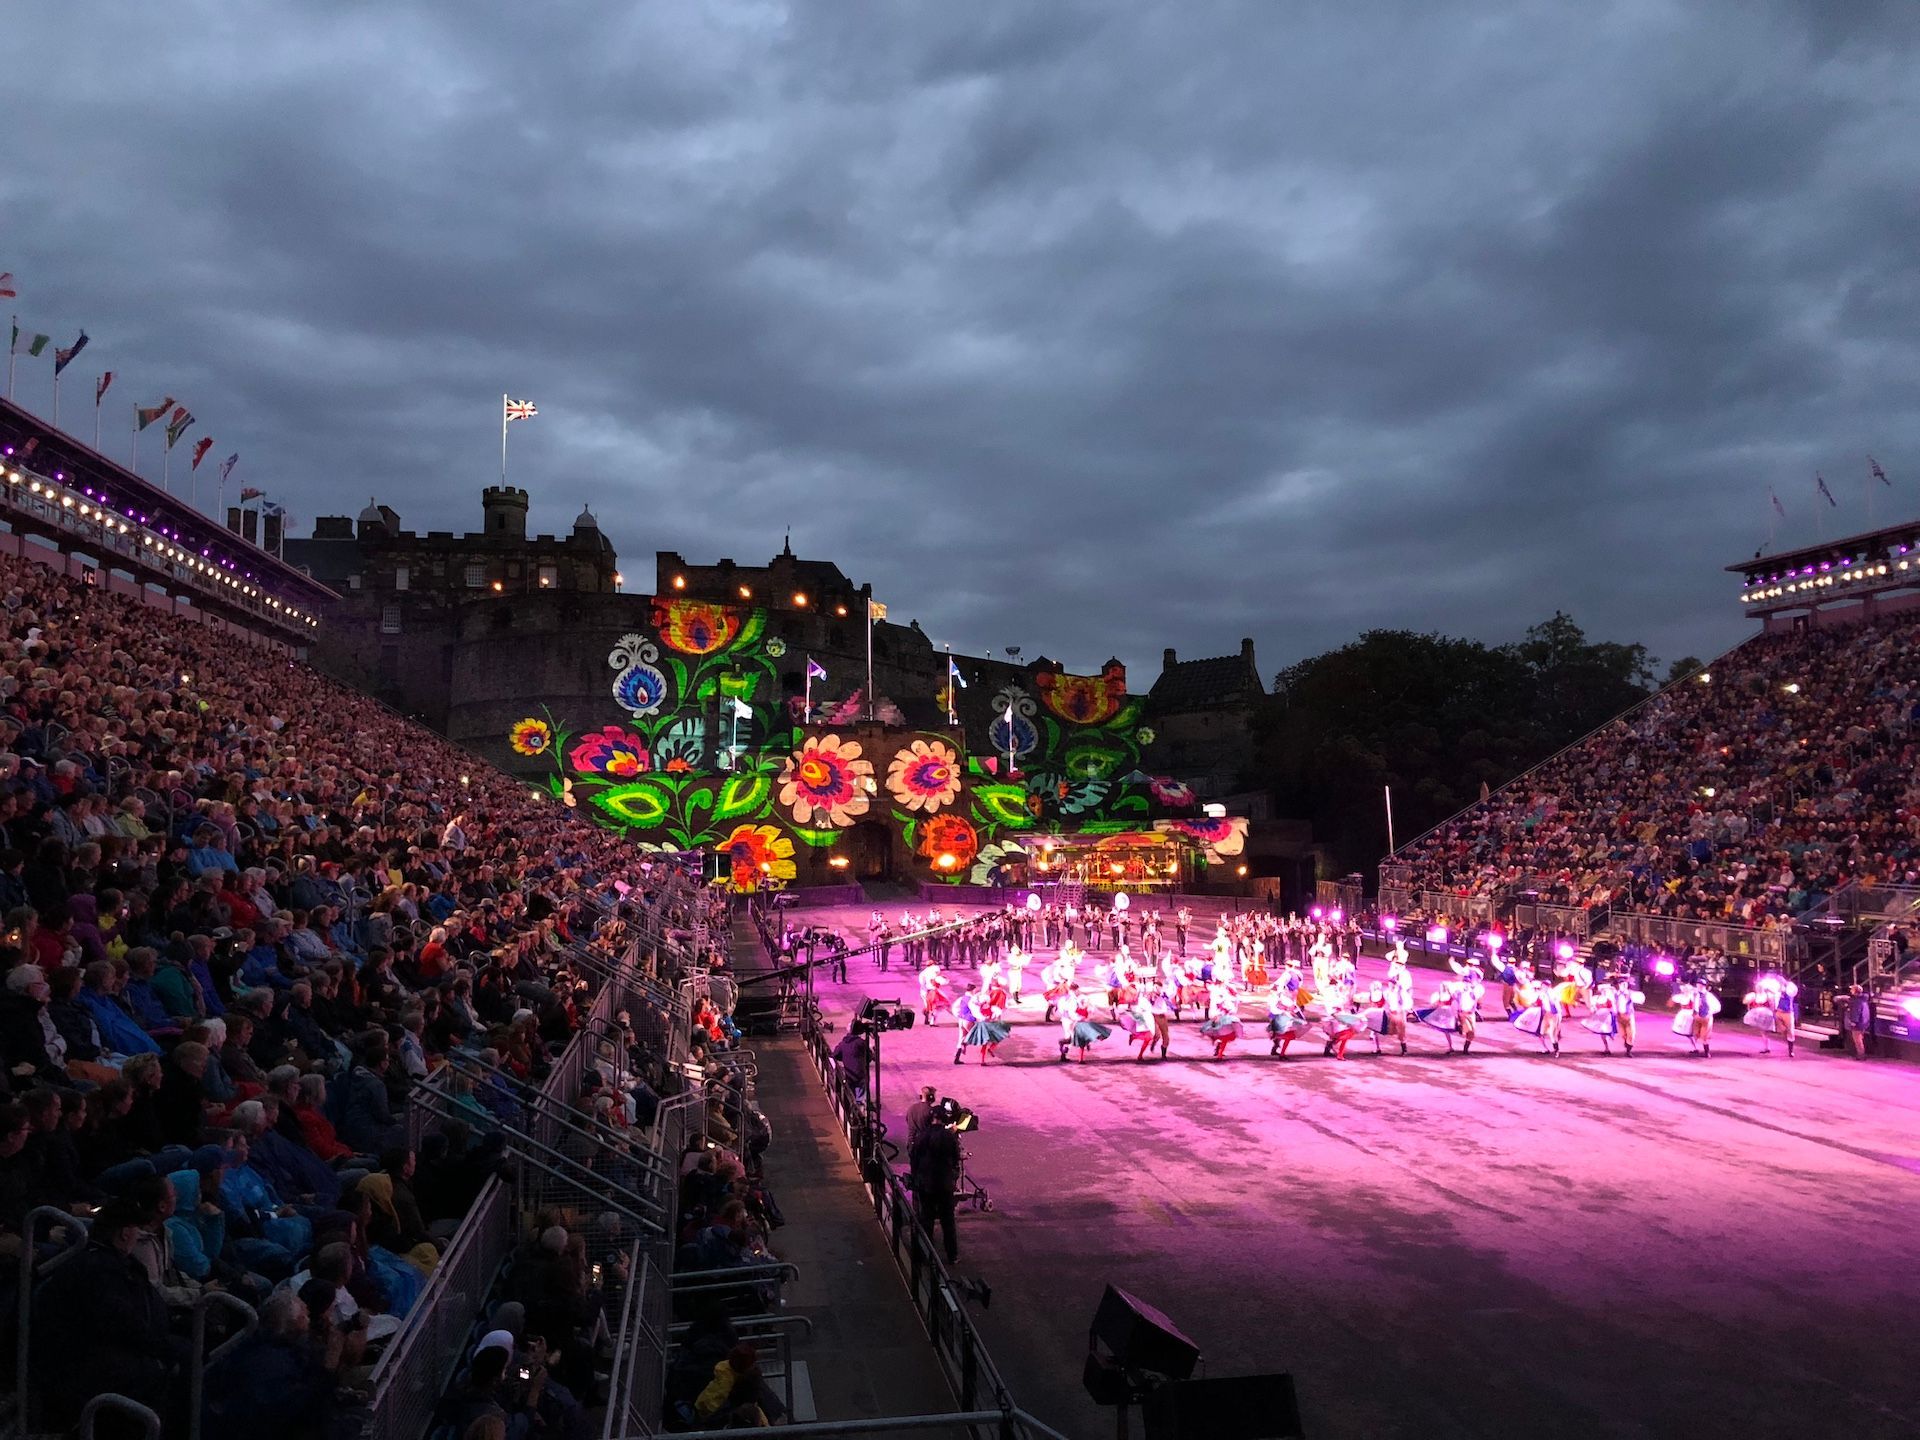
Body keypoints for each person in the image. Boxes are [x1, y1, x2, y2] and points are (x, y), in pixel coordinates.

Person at [31, 1197, 188, 1431]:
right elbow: (121, 1324)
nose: (138, 1235)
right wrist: (163, 1346)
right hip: (83, 1368)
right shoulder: (99, 1270)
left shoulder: (114, 1264)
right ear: (125, 1233)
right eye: (136, 1229)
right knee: (178, 1358)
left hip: (103, 1356)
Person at [907, 1108, 961, 1264]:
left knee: (927, 1219)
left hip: (925, 1184)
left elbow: (914, 1158)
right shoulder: (949, 1137)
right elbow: (956, 1158)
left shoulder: (921, 1136)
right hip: (944, 1184)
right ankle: (952, 1255)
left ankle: (925, 1255)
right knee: (948, 1221)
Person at [1841, 984, 1872, 1060]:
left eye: (1852, 990)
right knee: (1860, 1039)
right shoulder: (1863, 1000)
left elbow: (1856, 1012)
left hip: (1858, 1023)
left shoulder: (1857, 1001)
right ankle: (1861, 1054)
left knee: (1858, 1040)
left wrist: (1853, 1021)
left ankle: (1861, 1055)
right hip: (1863, 1023)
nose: (1851, 991)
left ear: (1855, 991)